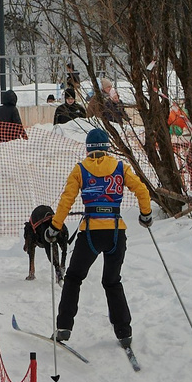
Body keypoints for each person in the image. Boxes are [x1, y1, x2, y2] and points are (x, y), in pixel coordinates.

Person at [52, 126, 153, 347]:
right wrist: (145, 214)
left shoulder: (80, 169)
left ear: (88, 149)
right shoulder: (120, 167)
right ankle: (124, 332)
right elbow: (142, 190)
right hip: (117, 231)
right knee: (112, 281)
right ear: (107, 148)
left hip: (91, 232)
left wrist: (55, 226)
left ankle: (64, 327)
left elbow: (66, 199)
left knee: (74, 278)